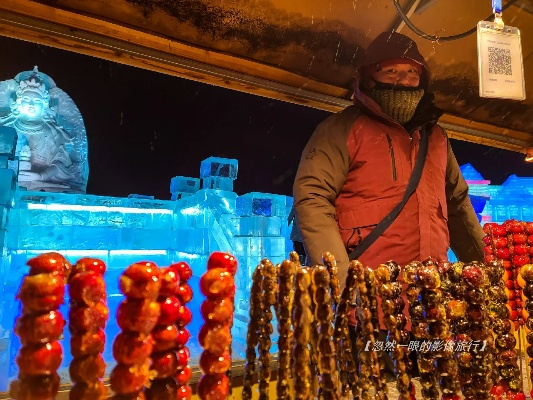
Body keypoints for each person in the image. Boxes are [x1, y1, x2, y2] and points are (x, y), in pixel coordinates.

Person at [292, 31, 485, 378]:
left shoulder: (437, 138)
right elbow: (312, 197)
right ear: (369, 76)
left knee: (425, 385)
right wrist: (341, 282)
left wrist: (487, 269)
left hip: (429, 305)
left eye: (411, 73)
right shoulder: (341, 128)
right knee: (366, 386)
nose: (403, 81)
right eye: (391, 72)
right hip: (364, 308)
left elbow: (457, 204)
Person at [0, 67, 86, 193]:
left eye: (36, 101)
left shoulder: (51, 133)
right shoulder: (6, 129)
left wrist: (41, 175)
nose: (31, 105)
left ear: (44, 104)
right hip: (6, 183)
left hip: (40, 185)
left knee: (67, 192)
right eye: (26, 100)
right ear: (17, 102)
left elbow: (60, 164)